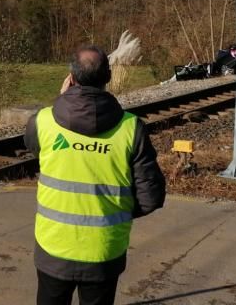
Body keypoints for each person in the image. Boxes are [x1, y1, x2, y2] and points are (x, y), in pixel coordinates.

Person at [25, 45, 166, 305]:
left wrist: (62, 101)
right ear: (108, 78)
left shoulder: (42, 121)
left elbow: (39, 153)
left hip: (53, 247)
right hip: (104, 251)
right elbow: (151, 197)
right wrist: (117, 210)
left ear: (70, 77)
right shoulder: (131, 128)